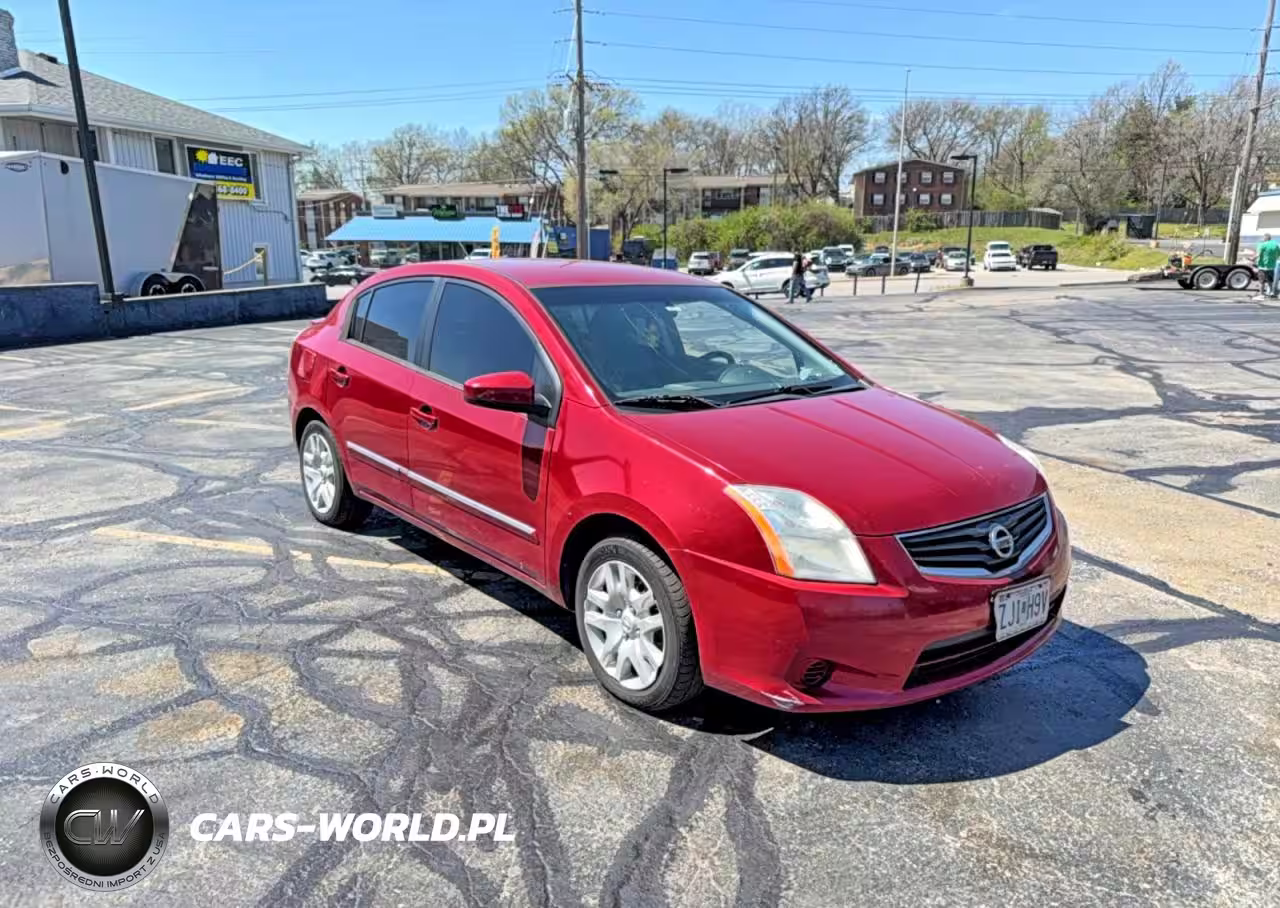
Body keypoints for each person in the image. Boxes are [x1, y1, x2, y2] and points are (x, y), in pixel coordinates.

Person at [1255, 233, 1279, 300]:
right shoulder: (1275, 245)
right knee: (1270, 281)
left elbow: (1258, 255)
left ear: (1265, 238)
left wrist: (1252, 258)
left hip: (1262, 266)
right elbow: (1278, 255)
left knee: (1261, 281)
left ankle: (1261, 294)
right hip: (1271, 266)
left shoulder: (1262, 245)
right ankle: (1270, 293)